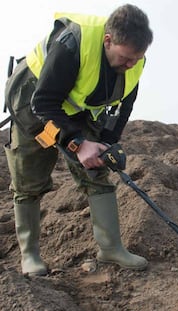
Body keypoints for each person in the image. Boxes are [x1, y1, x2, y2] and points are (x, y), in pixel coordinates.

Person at [3, 4, 153, 276]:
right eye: (126, 58)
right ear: (108, 40)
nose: (131, 64)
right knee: (29, 177)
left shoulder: (135, 60)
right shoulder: (72, 43)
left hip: (77, 108)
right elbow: (44, 102)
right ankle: (30, 255)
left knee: (97, 170)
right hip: (34, 100)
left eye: (137, 59)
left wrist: (107, 142)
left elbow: (124, 106)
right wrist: (79, 143)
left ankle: (110, 248)